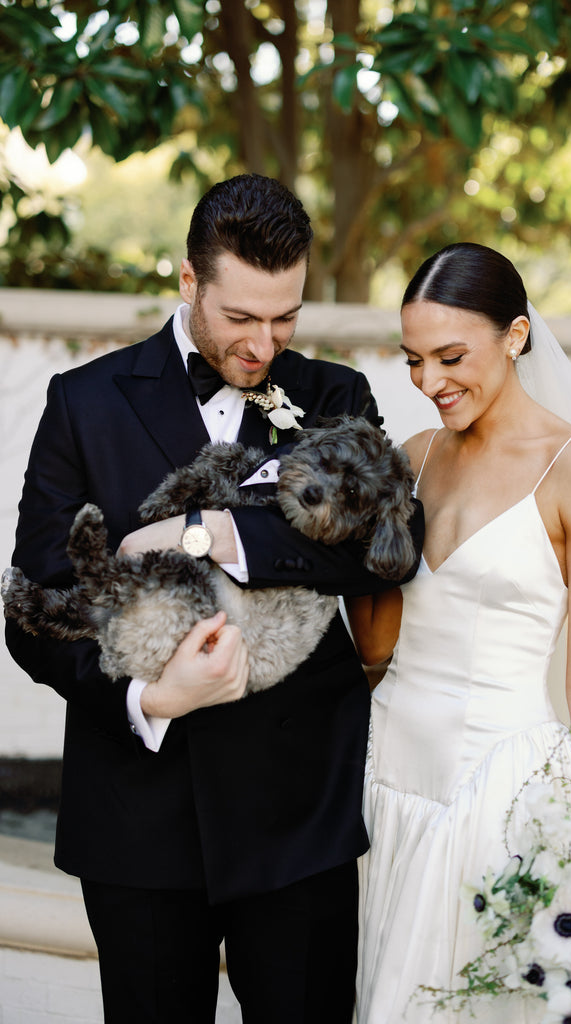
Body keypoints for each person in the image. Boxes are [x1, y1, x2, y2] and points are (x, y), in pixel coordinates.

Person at [5, 174, 423, 1024]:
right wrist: (149, 699)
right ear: (189, 281)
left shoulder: (335, 396)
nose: (264, 343)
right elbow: (34, 603)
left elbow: (386, 553)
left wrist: (210, 533)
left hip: (299, 807)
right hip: (138, 812)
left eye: (285, 317)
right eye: (240, 318)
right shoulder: (84, 402)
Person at [347, 242, 571, 1023]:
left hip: (494, 796)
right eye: (413, 360)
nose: (429, 382)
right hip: (383, 779)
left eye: (450, 356)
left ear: (517, 336)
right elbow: (375, 645)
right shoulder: (414, 458)